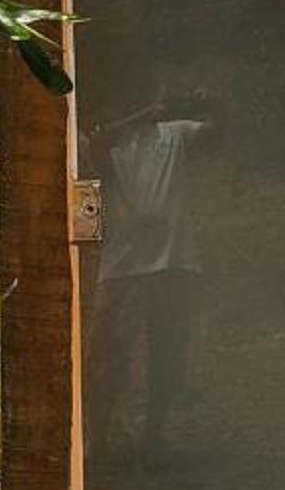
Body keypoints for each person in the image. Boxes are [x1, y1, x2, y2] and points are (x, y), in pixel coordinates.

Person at [90, 89, 220, 450]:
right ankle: (98, 437)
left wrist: (204, 100)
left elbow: (214, 131)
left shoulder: (172, 133)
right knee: (107, 348)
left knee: (166, 346)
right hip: (123, 263)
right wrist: (142, 114)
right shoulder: (108, 142)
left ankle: (155, 433)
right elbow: (97, 143)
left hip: (171, 260)